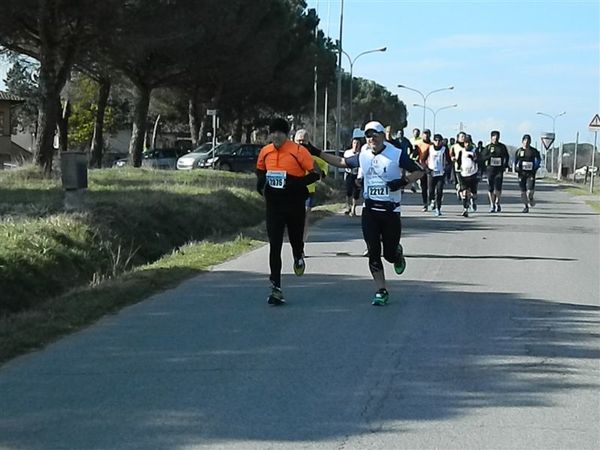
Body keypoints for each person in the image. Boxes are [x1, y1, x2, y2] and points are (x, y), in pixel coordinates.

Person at [312, 121, 424, 306]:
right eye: (368, 136)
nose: (372, 139)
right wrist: (316, 152)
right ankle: (381, 290)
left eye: (375, 135)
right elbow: (341, 162)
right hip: (370, 211)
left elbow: (419, 171)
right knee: (373, 251)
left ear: (382, 135)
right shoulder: (363, 155)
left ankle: (396, 253)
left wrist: (402, 181)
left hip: (390, 211)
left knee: (388, 254)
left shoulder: (395, 154)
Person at [256, 118, 321, 306]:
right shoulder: (265, 151)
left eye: (280, 132)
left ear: (287, 134)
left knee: (295, 239)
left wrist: (295, 183)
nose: (276, 135)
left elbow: (316, 173)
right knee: (274, 245)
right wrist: (261, 185)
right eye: (273, 132)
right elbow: (260, 171)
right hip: (274, 205)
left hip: (294, 203)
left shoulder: (298, 151)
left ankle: (298, 255)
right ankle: (276, 287)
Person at [294, 129, 328, 240]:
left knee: (304, 217)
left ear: (308, 142)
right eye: (298, 141)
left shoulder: (312, 156)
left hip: (308, 191)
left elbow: (324, 166)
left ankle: (301, 243)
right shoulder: (289, 154)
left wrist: (321, 174)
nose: (301, 143)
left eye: (303, 141)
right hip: (292, 190)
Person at [481, 130, 509, 213]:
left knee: (498, 188)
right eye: (494, 138)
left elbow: (506, 156)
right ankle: (492, 204)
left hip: (499, 170)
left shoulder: (502, 147)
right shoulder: (488, 147)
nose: (495, 139)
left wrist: (505, 165)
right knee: (490, 188)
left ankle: (497, 202)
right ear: (491, 138)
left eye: (497, 138)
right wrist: (490, 156)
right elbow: (483, 157)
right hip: (490, 170)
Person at [515, 134, 542, 213]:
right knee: (523, 191)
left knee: (530, 190)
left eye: (528, 141)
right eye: (525, 141)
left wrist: (535, 167)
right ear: (522, 141)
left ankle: (530, 198)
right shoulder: (519, 151)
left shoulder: (533, 151)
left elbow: (538, 160)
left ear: (530, 142)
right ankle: (526, 206)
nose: (526, 143)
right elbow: (515, 161)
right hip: (521, 173)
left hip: (531, 173)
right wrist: (516, 168)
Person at [425, 133, 450, 216]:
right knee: (431, 191)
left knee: (439, 191)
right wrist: (427, 169)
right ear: (433, 141)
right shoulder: (430, 148)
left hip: (440, 173)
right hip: (431, 172)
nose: (438, 142)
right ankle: (432, 200)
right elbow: (423, 159)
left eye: (439, 141)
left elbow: (449, 161)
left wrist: (446, 169)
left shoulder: (444, 149)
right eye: (436, 140)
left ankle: (438, 208)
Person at [454, 132, 479, 217]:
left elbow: (480, 161)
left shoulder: (474, 151)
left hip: (473, 174)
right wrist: (459, 167)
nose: (467, 144)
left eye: (468, 142)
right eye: (465, 143)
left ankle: (473, 201)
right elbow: (458, 161)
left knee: (473, 194)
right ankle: (465, 209)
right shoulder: (462, 151)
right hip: (464, 174)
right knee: (465, 192)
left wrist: (473, 158)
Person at [343, 130, 364, 216]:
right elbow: (343, 163)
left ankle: (353, 209)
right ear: (352, 144)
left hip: (357, 175)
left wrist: (360, 177)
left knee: (356, 193)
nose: (356, 145)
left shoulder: (362, 154)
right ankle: (348, 206)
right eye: (354, 143)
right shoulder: (347, 153)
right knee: (348, 191)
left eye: (358, 143)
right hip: (349, 174)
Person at [414, 129, 432, 211]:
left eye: (427, 134)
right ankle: (425, 204)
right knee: (424, 187)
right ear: (422, 135)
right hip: (422, 168)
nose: (426, 135)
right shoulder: (418, 145)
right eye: (424, 134)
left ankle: (432, 200)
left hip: (431, 168)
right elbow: (415, 156)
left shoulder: (433, 145)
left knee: (431, 187)